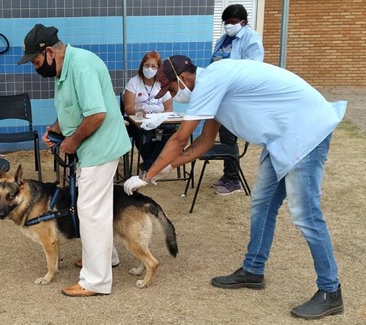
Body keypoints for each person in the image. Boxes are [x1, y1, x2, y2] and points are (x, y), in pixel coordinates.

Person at [124, 55, 346, 319]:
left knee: (305, 215)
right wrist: (167, 169)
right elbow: (204, 142)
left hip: (305, 131)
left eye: (171, 90)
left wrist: (148, 175)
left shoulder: (210, 82)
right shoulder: (211, 86)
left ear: (183, 79)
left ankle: (330, 291)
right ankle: (253, 270)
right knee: (261, 207)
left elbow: (180, 139)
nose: (172, 95)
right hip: (279, 138)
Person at [18, 24, 131, 297]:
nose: (35, 68)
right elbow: (74, 111)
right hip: (93, 150)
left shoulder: (81, 67)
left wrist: (72, 141)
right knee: (94, 209)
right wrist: (56, 130)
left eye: (35, 61)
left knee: (91, 212)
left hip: (100, 149)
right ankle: (107, 259)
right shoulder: (63, 69)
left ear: (49, 52)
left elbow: (96, 115)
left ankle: (95, 281)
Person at [210, 4, 264, 195]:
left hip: (236, 97)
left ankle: (233, 180)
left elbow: (253, 69)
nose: (228, 26)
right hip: (221, 96)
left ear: (243, 22)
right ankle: (227, 174)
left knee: (229, 136)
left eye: (232, 22)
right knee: (224, 137)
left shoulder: (251, 39)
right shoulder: (224, 40)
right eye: (226, 22)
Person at [122, 51, 174, 172]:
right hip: (139, 123)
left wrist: (161, 117)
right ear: (142, 65)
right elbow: (128, 107)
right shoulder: (133, 82)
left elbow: (169, 107)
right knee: (144, 136)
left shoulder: (162, 84)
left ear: (158, 68)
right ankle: (154, 167)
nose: (149, 69)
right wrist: (138, 110)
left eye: (153, 66)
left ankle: (148, 166)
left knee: (171, 132)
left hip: (160, 122)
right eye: (147, 65)